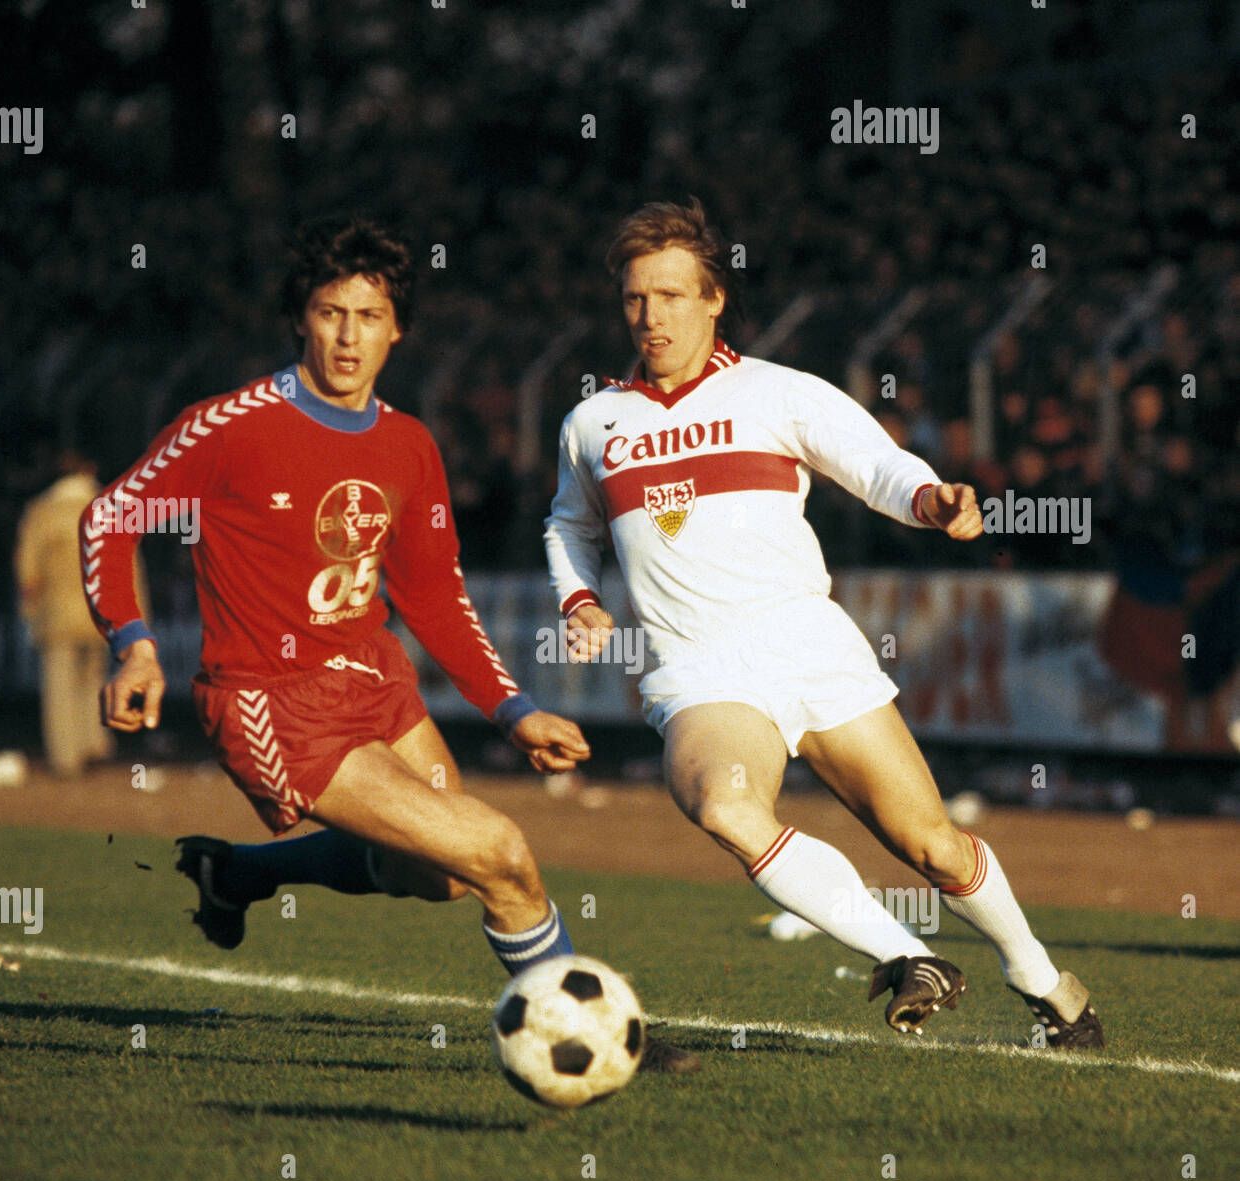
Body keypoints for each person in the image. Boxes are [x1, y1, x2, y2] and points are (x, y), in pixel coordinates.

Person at [79, 211, 699, 1073]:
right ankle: (584, 1036)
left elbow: (433, 593)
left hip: (375, 680)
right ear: (302, 316)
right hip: (272, 702)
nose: (347, 337)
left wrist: (513, 709)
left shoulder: (407, 445)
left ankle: (243, 875)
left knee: (441, 875)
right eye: (331, 313)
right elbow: (111, 518)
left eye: (369, 318)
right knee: (499, 853)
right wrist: (135, 643)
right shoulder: (229, 426)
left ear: (397, 330)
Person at [544, 199, 1104, 1048]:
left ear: (712, 298)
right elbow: (569, 524)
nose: (650, 316)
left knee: (935, 850)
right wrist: (578, 598)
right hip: (699, 671)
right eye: (634, 299)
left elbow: (874, 463)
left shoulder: (776, 392)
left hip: (808, 645)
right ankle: (907, 956)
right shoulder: (594, 423)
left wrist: (931, 496)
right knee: (724, 808)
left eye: (668, 295)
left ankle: (1039, 976)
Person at [15, 450, 123, 776]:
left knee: (60, 685)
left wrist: (29, 610)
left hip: (58, 612)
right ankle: (93, 744)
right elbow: (127, 566)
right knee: (92, 680)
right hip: (100, 611)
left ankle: (66, 757)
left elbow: (28, 570)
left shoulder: (42, 510)